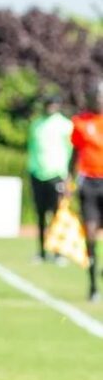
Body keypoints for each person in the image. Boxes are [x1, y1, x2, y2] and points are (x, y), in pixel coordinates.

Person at [27, 95, 73, 262]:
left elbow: (72, 152)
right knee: (40, 215)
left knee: (57, 215)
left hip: (57, 174)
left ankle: (58, 252)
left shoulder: (65, 125)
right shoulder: (36, 124)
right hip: (37, 174)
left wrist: (68, 176)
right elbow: (32, 148)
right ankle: (42, 251)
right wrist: (31, 169)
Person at [70, 83, 103, 301]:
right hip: (89, 184)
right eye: (97, 96)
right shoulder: (81, 122)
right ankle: (92, 285)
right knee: (90, 235)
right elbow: (74, 153)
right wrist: (68, 179)